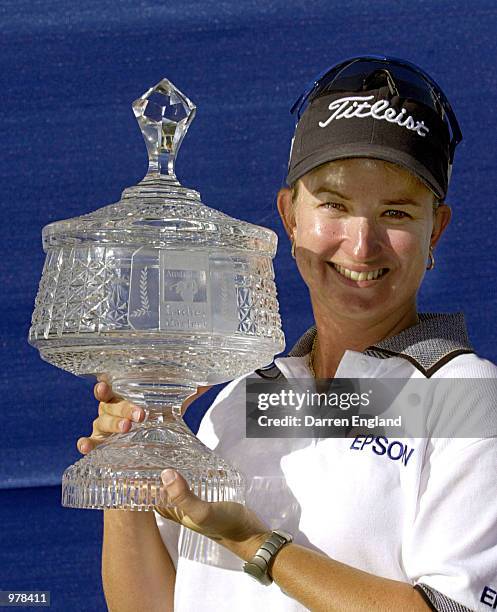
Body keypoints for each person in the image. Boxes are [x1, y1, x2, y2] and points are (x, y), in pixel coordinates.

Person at [77, 56, 497, 611]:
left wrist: (254, 541)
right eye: (334, 206)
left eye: (395, 212)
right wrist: (128, 471)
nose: (361, 244)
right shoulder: (246, 398)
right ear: (289, 216)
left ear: (435, 229)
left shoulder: (466, 397)